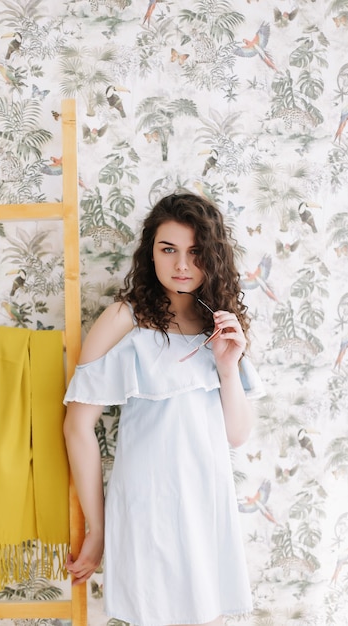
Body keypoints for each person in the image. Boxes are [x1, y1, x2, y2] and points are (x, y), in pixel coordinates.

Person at [63, 192, 264, 626]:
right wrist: (97, 530)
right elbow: (77, 427)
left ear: (212, 256)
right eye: (168, 249)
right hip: (146, 500)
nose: (181, 266)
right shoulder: (123, 319)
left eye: (195, 253)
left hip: (207, 501)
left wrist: (228, 367)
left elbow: (237, 435)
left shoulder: (222, 323)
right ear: (149, 252)